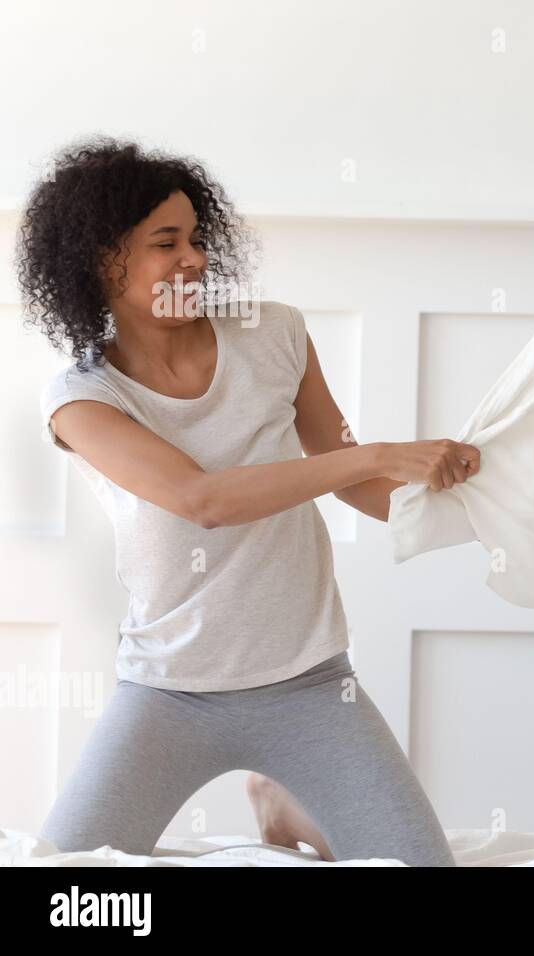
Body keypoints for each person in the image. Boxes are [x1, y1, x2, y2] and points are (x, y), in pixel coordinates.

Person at [23, 137, 476, 865]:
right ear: (101, 260)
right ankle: (283, 795)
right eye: (165, 242)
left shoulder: (274, 333)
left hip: (313, 687)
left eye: (197, 238)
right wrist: (382, 452)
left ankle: (285, 798)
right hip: (166, 696)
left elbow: (353, 481)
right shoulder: (81, 397)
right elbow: (201, 500)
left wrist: (486, 508)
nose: (194, 258)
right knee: (68, 897)